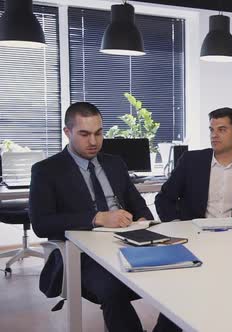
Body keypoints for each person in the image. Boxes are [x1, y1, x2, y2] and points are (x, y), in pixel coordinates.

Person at [29, 102, 176, 331]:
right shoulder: (47, 170)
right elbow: (42, 223)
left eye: (98, 133)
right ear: (67, 133)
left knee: (179, 275)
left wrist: (142, 221)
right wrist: (96, 218)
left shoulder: (114, 163)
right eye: (84, 134)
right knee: (113, 288)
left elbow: (139, 205)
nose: (93, 142)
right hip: (86, 256)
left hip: (130, 244)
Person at [155, 107, 232, 221]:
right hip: (194, 234)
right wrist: (177, 225)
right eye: (211, 130)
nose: (214, 135)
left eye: (221, 130)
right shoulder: (190, 161)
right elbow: (163, 199)